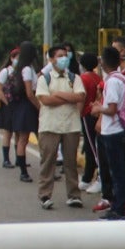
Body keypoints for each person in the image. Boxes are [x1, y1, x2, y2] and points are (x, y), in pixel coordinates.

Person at [35, 43, 87, 209]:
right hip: (49, 126)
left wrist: (57, 94)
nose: (64, 58)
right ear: (51, 59)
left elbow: (80, 96)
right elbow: (45, 100)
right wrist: (68, 97)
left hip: (71, 126)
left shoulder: (74, 78)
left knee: (70, 163)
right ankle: (45, 195)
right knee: (48, 162)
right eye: (59, 55)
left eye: (65, 55)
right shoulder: (44, 78)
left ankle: (74, 195)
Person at [95, 46, 125, 221]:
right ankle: (119, 207)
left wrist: (97, 108)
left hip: (113, 131)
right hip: (122, 130)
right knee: (119, 171)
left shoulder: (112, 82)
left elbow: (111, 109)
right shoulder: (122, 78)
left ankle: (119, 210)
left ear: (103, 62)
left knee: (116, 172)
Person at [7, 42, 41, 183]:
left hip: (21, 106)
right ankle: (23, 172)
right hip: (28, 106)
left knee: (23, 139)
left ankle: (24, 171)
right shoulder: (27, 69)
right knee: (24, 139)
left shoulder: (22, 68)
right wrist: (40, 107)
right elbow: (29, 92)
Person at [78, 51, 104, 192]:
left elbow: (82, 98)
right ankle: (87, 177)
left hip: (87, 114)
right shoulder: (97, 77)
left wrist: (77, 114)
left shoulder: (83, 78)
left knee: (92, 148)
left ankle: (98, 177)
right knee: (92, 146)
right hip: (96, 114)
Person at [0, 48, 19, 168]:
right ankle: (6, 159)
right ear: (11, 58)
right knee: (8, 132)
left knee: (19, 132)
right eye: (16, 57)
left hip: (19, 105)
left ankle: (19, 158)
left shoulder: (22, 71)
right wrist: (7, 103)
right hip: (8, 105)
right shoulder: (6, 72)